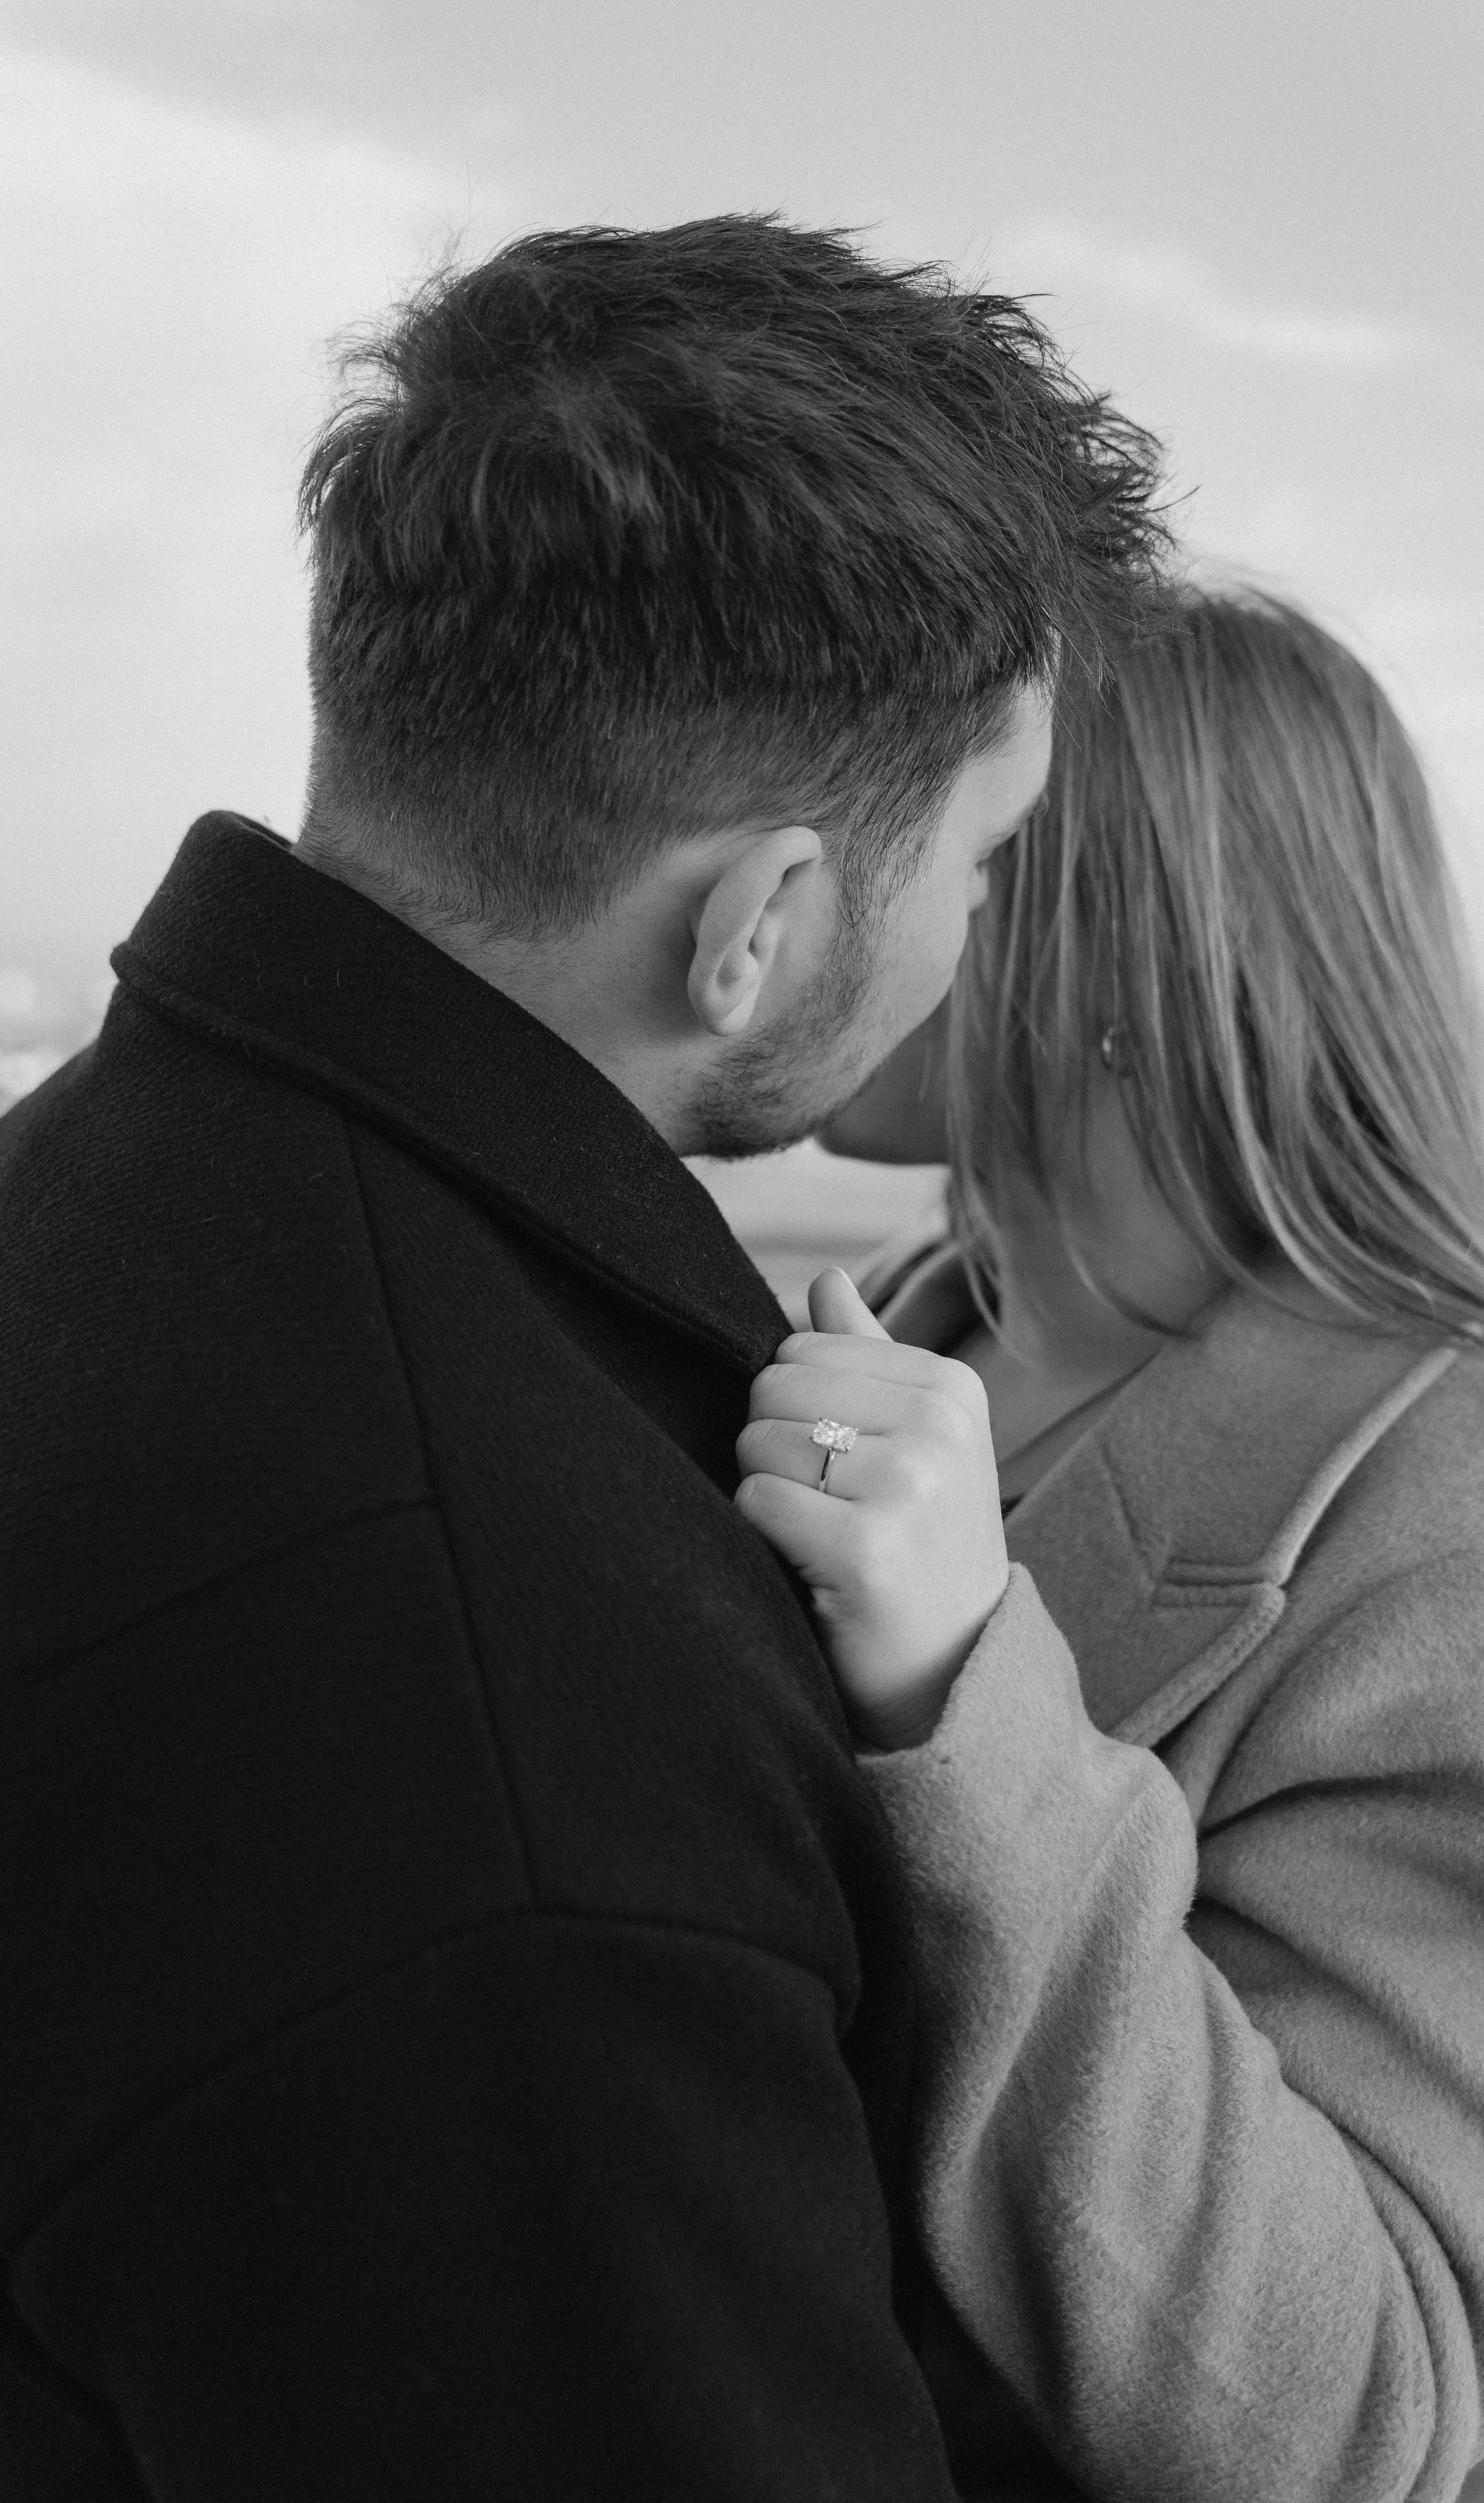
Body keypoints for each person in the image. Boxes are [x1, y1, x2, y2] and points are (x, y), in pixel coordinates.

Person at [0, 218, 1166, 2498]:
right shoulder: (511, 1693)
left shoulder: (92, 1204)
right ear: (758, 932)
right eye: (985, 852)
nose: (988, 928)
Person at [741, 588, 1484, 2501]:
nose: (823, 872)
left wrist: (959, 1696)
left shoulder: (1476, 1520)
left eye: (925, 825)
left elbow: (1356, 2413)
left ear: (1114, 937)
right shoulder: (900, 1336)